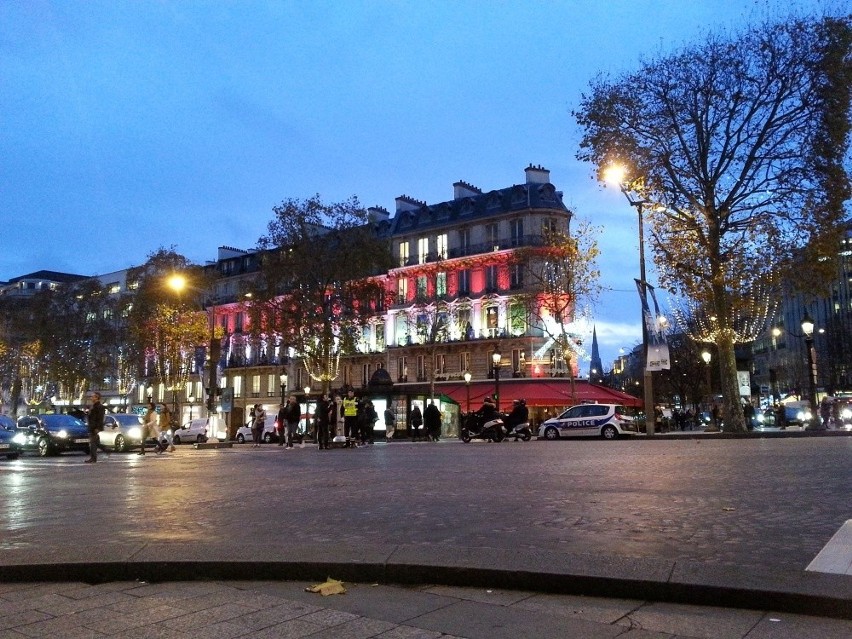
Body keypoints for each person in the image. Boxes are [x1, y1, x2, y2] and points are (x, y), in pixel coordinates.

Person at [84, 392, 109, 463]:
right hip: (92, 426)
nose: (91, 398)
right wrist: (87, 413)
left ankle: (93, 458)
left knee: (93, 443)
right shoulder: (93, 406)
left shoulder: (99, 407)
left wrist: (97, 428)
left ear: (97, 398)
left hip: (95, 427)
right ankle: (106, 450)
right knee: (96, 442)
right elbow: (92, 416)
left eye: (93, 397)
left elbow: (100, 418)